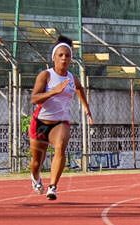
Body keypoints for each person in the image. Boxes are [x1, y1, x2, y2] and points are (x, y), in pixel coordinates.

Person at [28, 36, 93, 201]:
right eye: (61, 55)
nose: (64, 58)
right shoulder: (46, 76)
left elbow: (79, 88)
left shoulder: (72, 78)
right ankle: (35, 178)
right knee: (36, 163)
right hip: (41, 121)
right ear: (54, 57)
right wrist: (53, 92)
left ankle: (53, 186)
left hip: (61, 122)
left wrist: (86, 107)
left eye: (67, 56)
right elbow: (34, 98)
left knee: (60, 148)